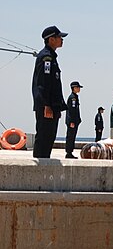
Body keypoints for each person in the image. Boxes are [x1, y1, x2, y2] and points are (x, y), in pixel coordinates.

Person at [32, 25, 68, 158]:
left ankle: (44, 163)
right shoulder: (46, 58)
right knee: (43, 137)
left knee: (49, 138)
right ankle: (39, 168)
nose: (62, 40)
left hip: (52, 106)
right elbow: (42, 84)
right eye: (59, 37)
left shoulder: (52, 57)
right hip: (46, 106)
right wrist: (46, 105)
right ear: (51, 39)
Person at [64, 81, 83, 158]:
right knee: (70, 137)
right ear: (74, 88)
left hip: (75, 121)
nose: (79, 89)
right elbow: (71, 110)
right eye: (78, 87)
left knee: (72, 136)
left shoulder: (75, 97)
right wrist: (72, 121)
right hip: (72, 121)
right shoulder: (73, 98)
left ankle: (70, 152)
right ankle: (68, 152)